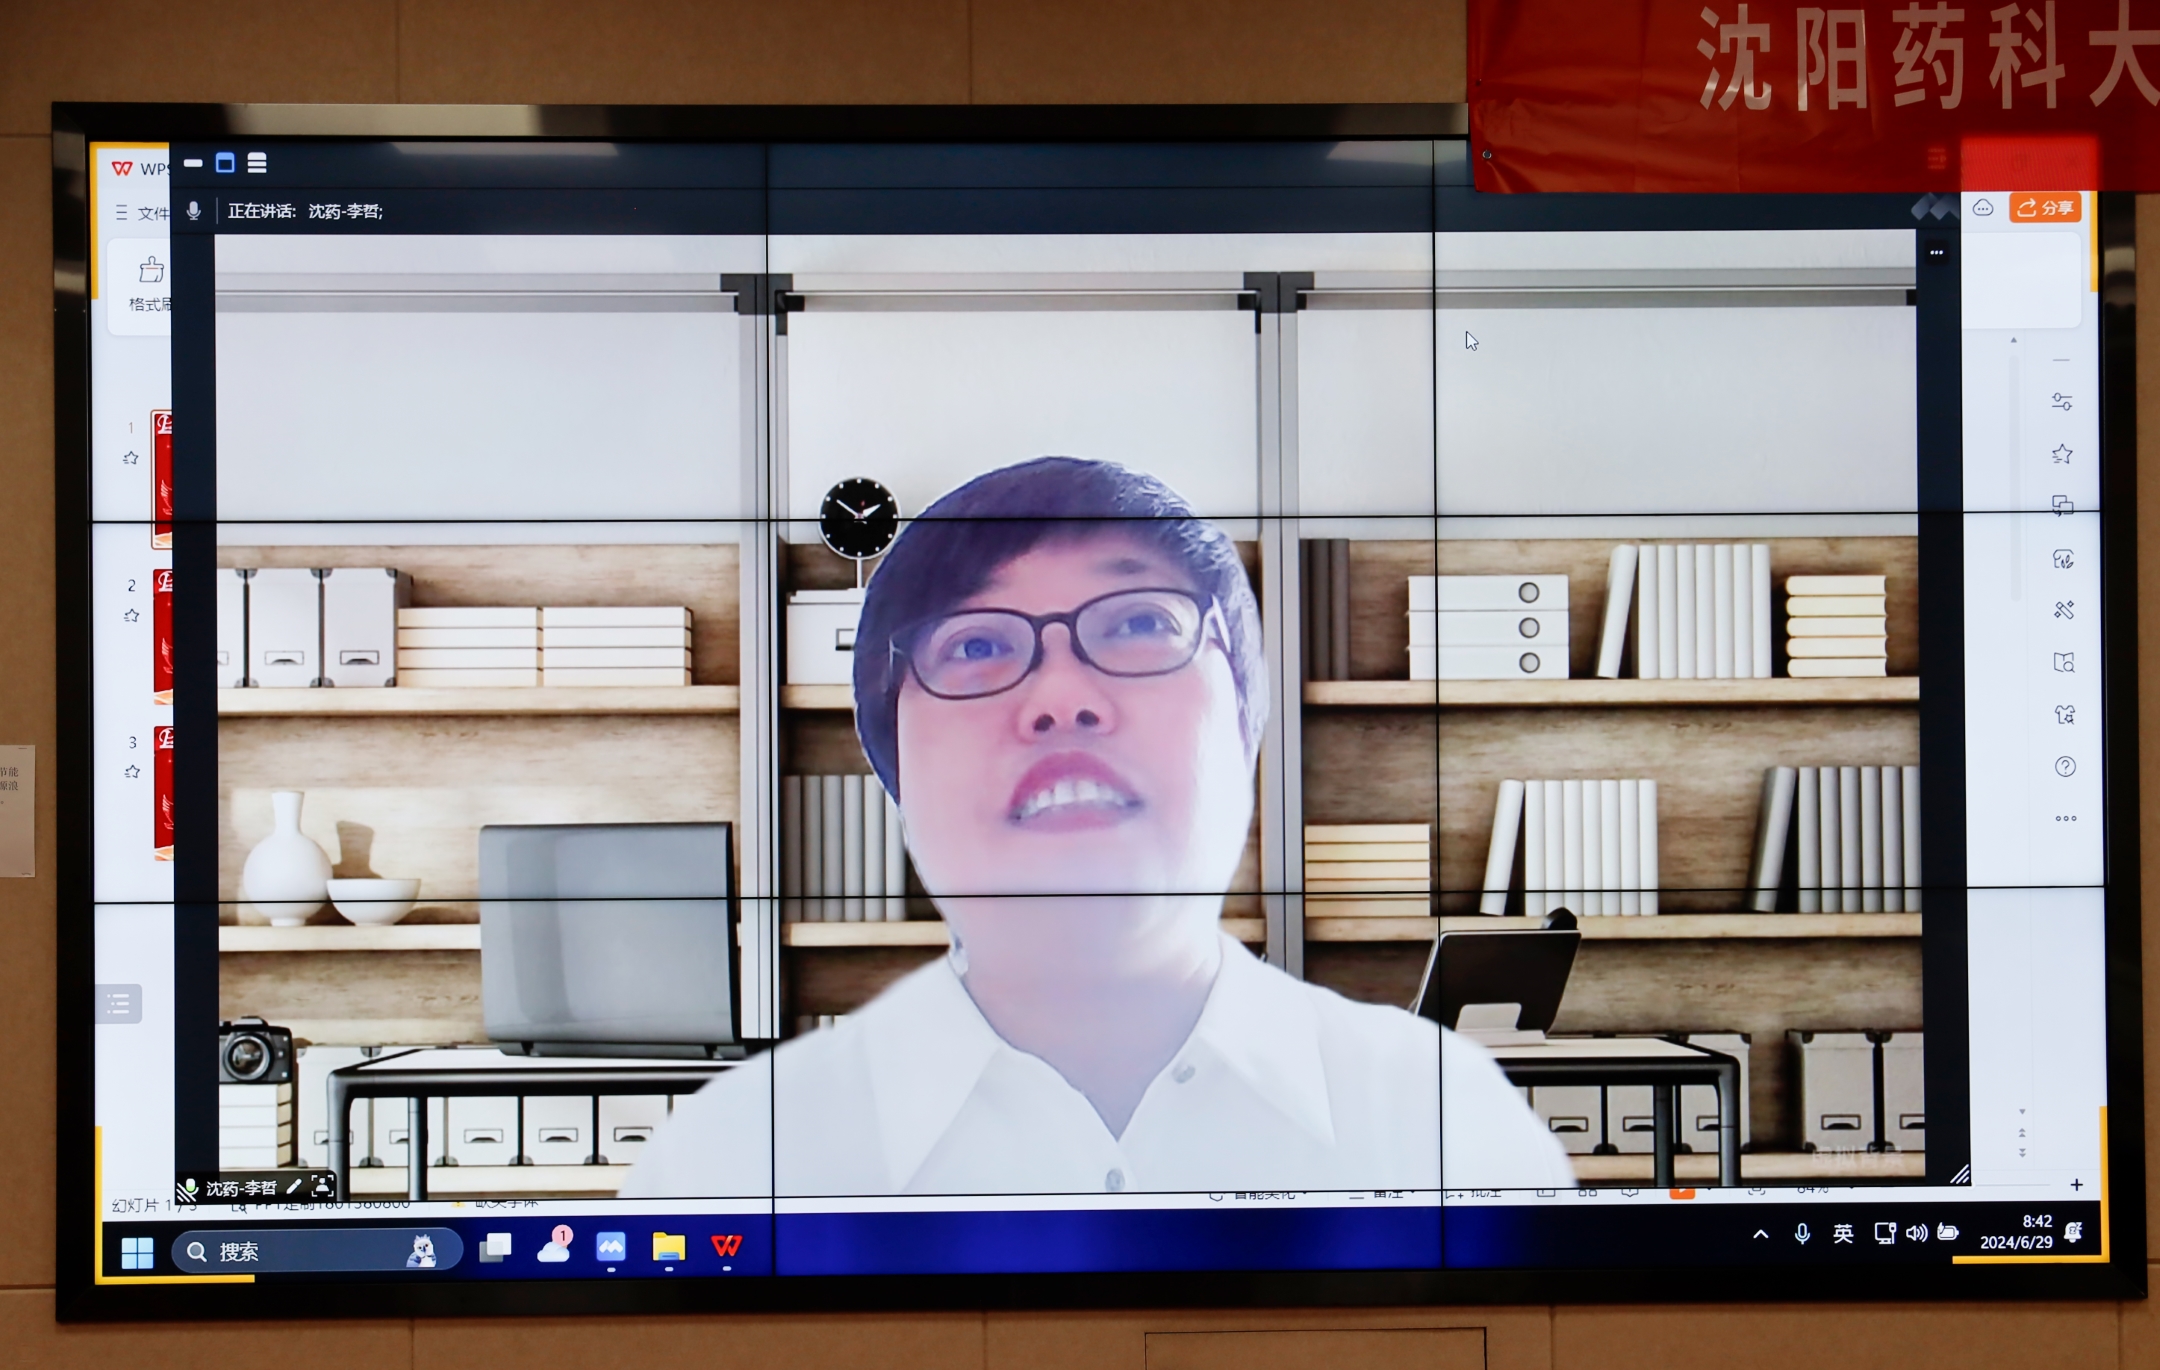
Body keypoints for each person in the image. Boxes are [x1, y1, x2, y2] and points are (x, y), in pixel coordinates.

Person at [623, 457, 1573, 1198]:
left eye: (1140, 623)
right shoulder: (726, 1164)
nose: (1062, 697)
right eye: (977, 643)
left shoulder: (1449, 1129)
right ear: (896, 769)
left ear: (1244, 727)